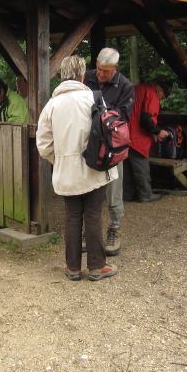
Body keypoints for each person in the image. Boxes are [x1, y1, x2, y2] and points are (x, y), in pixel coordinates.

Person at [36, 56, 118, 281]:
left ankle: (72, 267)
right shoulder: (94, 98)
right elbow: (108, 132)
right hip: (95, 168)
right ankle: (97, 267)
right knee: (93, 215)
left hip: (66, 172)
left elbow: (43, 144)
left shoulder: (52, 105)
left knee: (72, 216)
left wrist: (60, 160)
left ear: (62, 75)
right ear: (82, 75)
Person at [83, 48, 135, 257]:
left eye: (105, 71)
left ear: (116, 68)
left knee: (114, 186)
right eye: (98, 69)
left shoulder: (125, 86)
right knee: (87, 185)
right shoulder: (87, 77)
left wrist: (101, 115)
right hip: (88, 142)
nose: (100, 74)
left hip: (111, 144)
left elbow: (124, 116)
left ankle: (115, 227)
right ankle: (89, 231)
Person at [124, 80, 172, 203]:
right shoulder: (152, 94)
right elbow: (146, 119)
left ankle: (127, 194)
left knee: (127, 167)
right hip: (137, 137)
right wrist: (158, 132)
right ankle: (145, 194)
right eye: (162, 97)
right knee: (141, 166)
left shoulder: (137, 89)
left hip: (124, 134)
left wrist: (153, 132)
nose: (160, 99)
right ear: (160, 90)